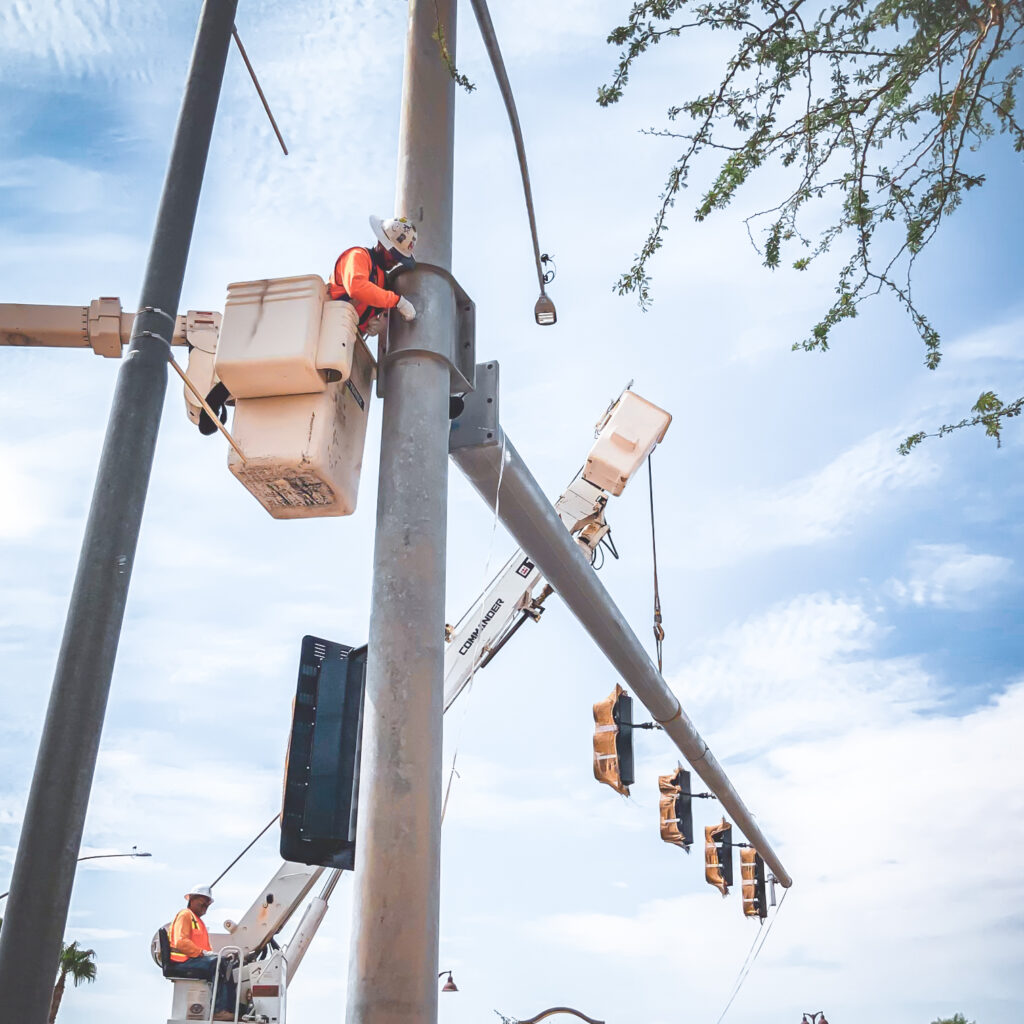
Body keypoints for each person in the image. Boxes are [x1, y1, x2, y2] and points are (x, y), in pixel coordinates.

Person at [328, 214, 419, 337]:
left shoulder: (381, 280)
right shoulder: (358, 256)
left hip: (347, 336)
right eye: (395, 256)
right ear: (381, 243)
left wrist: (369, 325)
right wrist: (398, 302)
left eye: (400, 258)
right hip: (330, 326)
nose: (396, 261)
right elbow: (357, 287)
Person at [167, 885, 239, 1021]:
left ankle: (231, 1008)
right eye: (203, 901)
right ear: (192, 899)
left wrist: (213, 955)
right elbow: (180, 942)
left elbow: (205, 949)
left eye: (207, 903)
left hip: (193, 960)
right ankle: (219, 1010)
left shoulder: (198, 921)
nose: (205, 905)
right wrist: (203, 953)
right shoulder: (185, 915)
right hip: (182, 962)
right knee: (218, 964)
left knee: (226, 964)